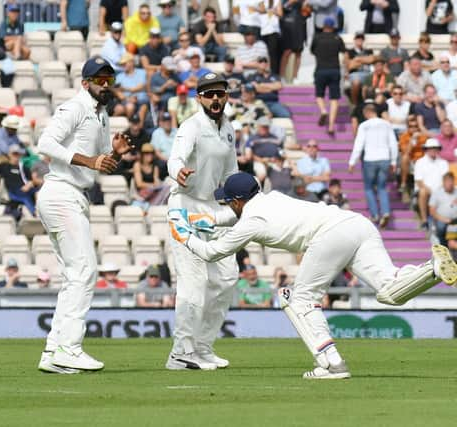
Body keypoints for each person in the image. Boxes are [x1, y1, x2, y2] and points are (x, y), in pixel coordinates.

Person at [169, 171, 457, 379]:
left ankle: (332, 363)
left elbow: (212, 252)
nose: (227, 205)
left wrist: (183, 235)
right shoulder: (271, 198)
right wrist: (199, 220)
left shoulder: (251, 222)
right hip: (356, 223)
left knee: (298, 299)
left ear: (238, 200)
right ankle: (431, 269)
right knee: (390, 291)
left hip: (330, 236)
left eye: (228, 200)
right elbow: (233, 215)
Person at [35, 57, 132, 374]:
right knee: (86, 270)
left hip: (74, 196)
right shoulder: (74, 107)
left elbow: (100, 160)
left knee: (74, 276)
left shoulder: (102, 115)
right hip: (61, 191)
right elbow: (44, 143)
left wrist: (113, 153)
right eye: (99, 80)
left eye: (110, 80)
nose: (105, 85)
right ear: (85, 82)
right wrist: (89, 162)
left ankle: (53, 351)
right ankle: (69, 347)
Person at [166, 72, 238, 371]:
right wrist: (179, 171)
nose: (215, 99)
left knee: (226, 278)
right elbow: (175, 158)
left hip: (212, 209)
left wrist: (241, 198)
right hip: (184, 207)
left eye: (220, 93)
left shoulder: (228, 129)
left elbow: (231, 174)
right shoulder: (191, 126)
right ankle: (181, 353)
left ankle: (203, 347)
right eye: (209, 94)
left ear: (226, 96)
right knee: (194, 281)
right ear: (199, 98)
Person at [349, 103, 398, 228]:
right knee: (382, 187)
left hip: (370, 159)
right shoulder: (386, 124)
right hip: (384, 158)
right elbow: (393, 143)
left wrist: (352, 162)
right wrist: (393, 161)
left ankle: (375, 214)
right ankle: (386, 211)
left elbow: (359, 144)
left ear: (367, 113)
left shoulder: (364, 125)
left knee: (369, 188)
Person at [311, 17, 345, 137]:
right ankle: (331, 125)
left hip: (321, 69)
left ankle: (323, 110)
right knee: (334, 99)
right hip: (334, 69)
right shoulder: (337, 38)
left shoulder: (317, 38)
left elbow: (313, 51)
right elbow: (343, 52)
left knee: (319, 95)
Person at [415, 138, 450, 230]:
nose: (433, 150)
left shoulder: (443, 162)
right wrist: (431, 191)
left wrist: (437, 191)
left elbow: (445, 179)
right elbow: (419, 181)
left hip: (440, 189)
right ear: (426, 149)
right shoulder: (420, 162)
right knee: (423, 192)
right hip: (426, 190)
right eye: (430, 148)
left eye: (435, 148)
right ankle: (424, 220)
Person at [398, 114, 428, 199]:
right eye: (411, 126)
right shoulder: (404, 136)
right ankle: (403, 184)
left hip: (422, 161)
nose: (414, 128)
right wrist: (412, 140)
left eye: (416, 126)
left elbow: (427, 152)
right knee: (405, 158)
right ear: (408, 127)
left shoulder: (423, 137)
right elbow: (406, 152)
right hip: (410, 161)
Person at [113, 53, 148, 120]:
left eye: (124, 64)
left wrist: (125, 89)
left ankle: (131, 127)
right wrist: (128, 99)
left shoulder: (142, 72)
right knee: (119, 109)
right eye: (122, 64)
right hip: (126, 100)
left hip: (141, 100)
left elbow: (141, 87)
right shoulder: (119, 76)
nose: (123, 66)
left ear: (131, 63)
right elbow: (117, 91)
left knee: (130, 107)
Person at [279, 0, 308, 82]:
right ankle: (282, 76)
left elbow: (307, 12)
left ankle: (295, 77)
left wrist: (305, 5)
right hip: (287, 26)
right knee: (287, 52)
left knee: (298, 53)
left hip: (299, 26)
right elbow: (282, 7)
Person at [345, 31, 375, 105]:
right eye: (358, 38)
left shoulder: (369, 50)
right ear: (355, 40)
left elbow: (371, 60)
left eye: (361, 38)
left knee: (369, 84)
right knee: (356, 82)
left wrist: (357, 60)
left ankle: (367, 106)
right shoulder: (349, 51)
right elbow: (350, 65)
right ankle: (355, 105)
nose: (359, 40)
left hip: (368, 73)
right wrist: (365, 60)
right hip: (355, 74)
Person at [429, 172, 457, 246]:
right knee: (441, 226)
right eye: (448, 181)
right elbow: (432, 211)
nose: (450, 183)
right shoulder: (437, 193)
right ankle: (443, 244)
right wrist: (445, 219)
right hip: (442, 220)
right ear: (443, 182)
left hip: (455, 220)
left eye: (451, 181)